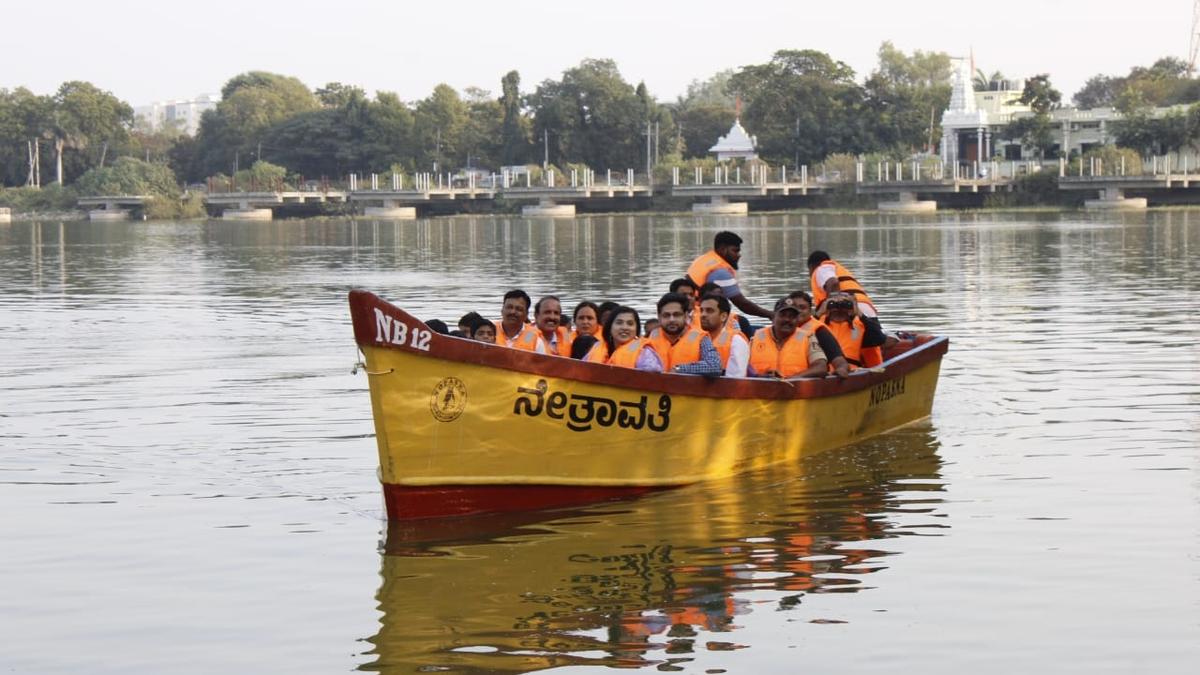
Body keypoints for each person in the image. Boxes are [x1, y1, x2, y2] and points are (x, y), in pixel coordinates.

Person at [685, 231, 774, 320]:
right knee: (742, 322)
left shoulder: (705, 259)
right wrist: (771, 315)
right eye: (735, 251)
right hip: (700, 315)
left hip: (690, 312)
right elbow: (742, 304)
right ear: (723, 249)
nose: (739, 255)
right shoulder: (720, 272)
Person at [747, 297, 828, 378]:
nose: (787, 320)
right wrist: (762, 377)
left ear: (797, 320)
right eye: (782, 315)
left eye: (792, 316)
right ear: (773, 317)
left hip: (796, 388)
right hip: (761, 388)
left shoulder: (808, 338)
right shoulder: (756, 338)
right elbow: (743, 368)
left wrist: (793, 378)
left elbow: (821, 367)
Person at [647, 292, 722, 376]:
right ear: (659, 317)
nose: (671, 319)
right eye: (666, 315)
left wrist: (679, 369)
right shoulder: (652, 336)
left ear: (686, 316)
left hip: (688, 387)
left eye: (677, 315)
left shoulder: (701, 338)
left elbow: (714, 366)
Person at [783, 291, 851, 378]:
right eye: (794, 307)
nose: (798, 311)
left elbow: (840, 361)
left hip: (807, 382)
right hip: (777, 379)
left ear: (810, 311)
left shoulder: (820, 331)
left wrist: (841, 369)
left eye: (802, 307)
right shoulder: (781, 328)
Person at [806, 250, 879, 321]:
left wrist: (832, 309)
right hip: (868, 311)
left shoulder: (822, 268)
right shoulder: (838, 269)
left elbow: (833, 283)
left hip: (853, 311)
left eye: (809, 271)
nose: (809, 275)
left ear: (811, 266)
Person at [585, 306, 663, 372]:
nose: (624, 328)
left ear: (636, 329)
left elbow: (654, 378)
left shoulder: (645, 353)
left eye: (630, 324)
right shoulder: (597, 347)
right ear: (610, 327)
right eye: (619, 323)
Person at [821, 291, 886, 369]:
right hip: (823, 371)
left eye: (845, 304)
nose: (838, 309)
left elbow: (880, 339)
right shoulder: (818, 323)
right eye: (832, 305)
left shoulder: (860, 324)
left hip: (851, 371)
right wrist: (819, 313)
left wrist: (858, 312)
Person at [697, 293, 750, 377]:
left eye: (709, 311)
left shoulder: (736, 341)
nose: (703, 315)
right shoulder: (697, 338)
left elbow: (735, 380)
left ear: (723, 316)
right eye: (701, 310)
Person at [493, 289, 548, 353]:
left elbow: (541, 362)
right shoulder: (488, 331)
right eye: (509, 307)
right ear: (502, 310)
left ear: (526, 314)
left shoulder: (536, 340)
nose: (513, 312)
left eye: (519, 309)